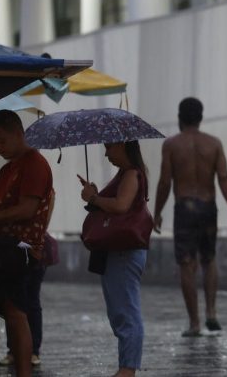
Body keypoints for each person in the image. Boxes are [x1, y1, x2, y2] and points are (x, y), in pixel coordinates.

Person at [153, 97, 227, 337]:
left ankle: (194, 323)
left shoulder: (171, 145)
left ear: (180, 118)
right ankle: (212, 313)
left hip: (184, 207)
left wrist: (157, 212)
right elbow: (224, 178)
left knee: (186, 264)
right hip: (208, 206)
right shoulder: (214, 144)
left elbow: (164, 182)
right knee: (208, 259)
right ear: (201, 118)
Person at [79, 141, 149, 377]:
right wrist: (96, 195)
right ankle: (126, 366)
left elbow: (121, 206)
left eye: (110, 147)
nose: (106, 153)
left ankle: (127, 369)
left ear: (124, 146)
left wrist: (95, 198)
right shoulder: (126, 174)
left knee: (126, 311)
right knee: (120, 310)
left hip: (124, 252)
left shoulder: (131, 174)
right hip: (120, 251)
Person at [0, 110, 53, 377]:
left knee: (16, 311)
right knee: (9, 311)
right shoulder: (8, 168)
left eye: (1, 141)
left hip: (20, 248)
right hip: (3, 245)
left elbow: (27, 209)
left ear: (19, 134)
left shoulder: (34, 163)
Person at [0, 232, 58, 367]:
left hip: (30, 251)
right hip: (12, 250)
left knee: (29, 302)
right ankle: (14, 351)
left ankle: (32, 351)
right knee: (13, 305)